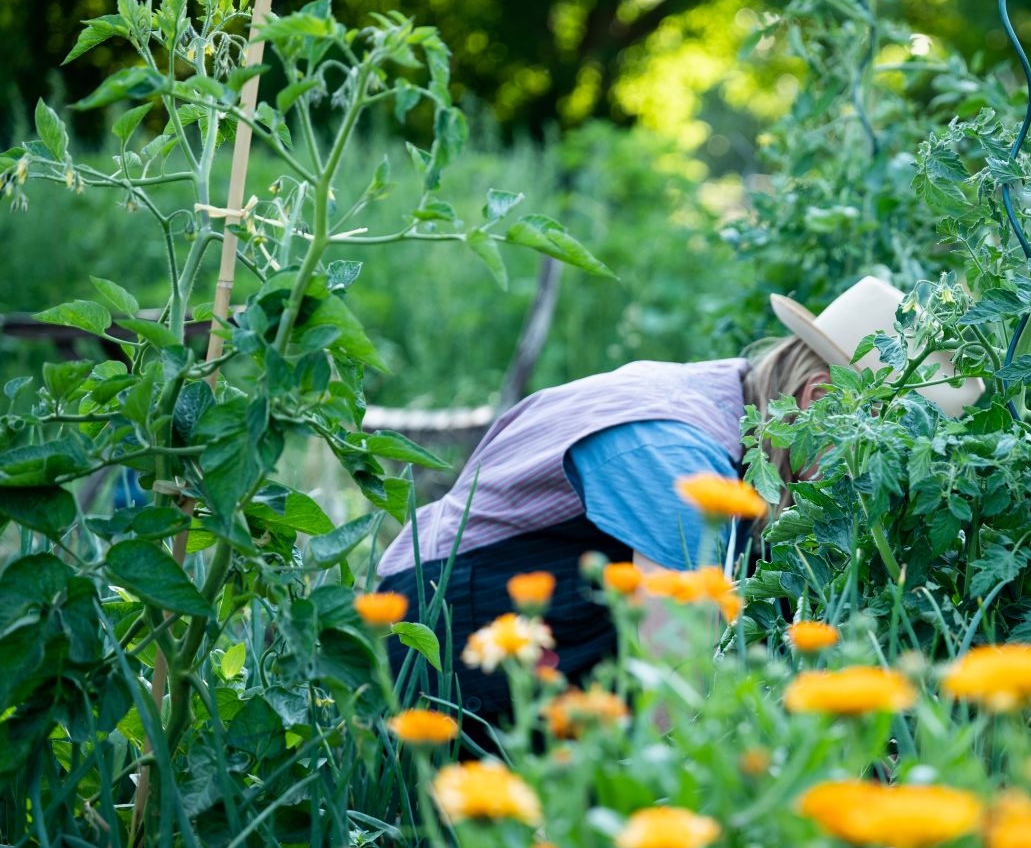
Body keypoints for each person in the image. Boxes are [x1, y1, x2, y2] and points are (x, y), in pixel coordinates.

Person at [377, 276, 982, 720]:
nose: (866, 487)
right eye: (875, 450)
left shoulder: (727, 397)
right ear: (819, 398)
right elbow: (674, 669)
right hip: (441, 621)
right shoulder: (673, 452)